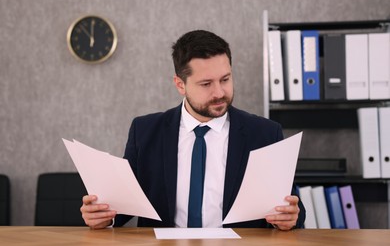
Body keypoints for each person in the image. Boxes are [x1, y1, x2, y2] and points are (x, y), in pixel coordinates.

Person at [80, 30, 306, 230]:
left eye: (225, 79)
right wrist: (102, 217)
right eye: (206, 84)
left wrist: (289, 217)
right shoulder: (145, 131)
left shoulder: (265, 134)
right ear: (180, 85)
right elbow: (121, 209)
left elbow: (293, 209)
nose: (219, 92)